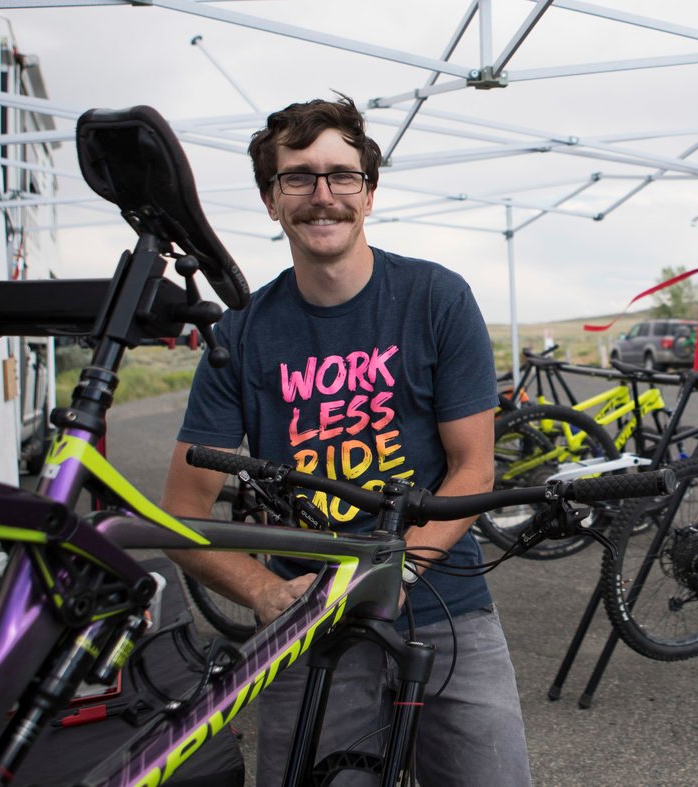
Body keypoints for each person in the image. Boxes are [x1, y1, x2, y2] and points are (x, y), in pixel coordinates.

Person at [161, 95, 530, 786]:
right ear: (271, 200)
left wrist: (399, 571)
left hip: (445, 604)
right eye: (297, 177)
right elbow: (181, 513)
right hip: (305, 619)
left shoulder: (435, 298)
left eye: (341, 176)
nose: (321, 195)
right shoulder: (240, 333)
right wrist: (265, 594)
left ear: (369, 193)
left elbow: (472, 466)